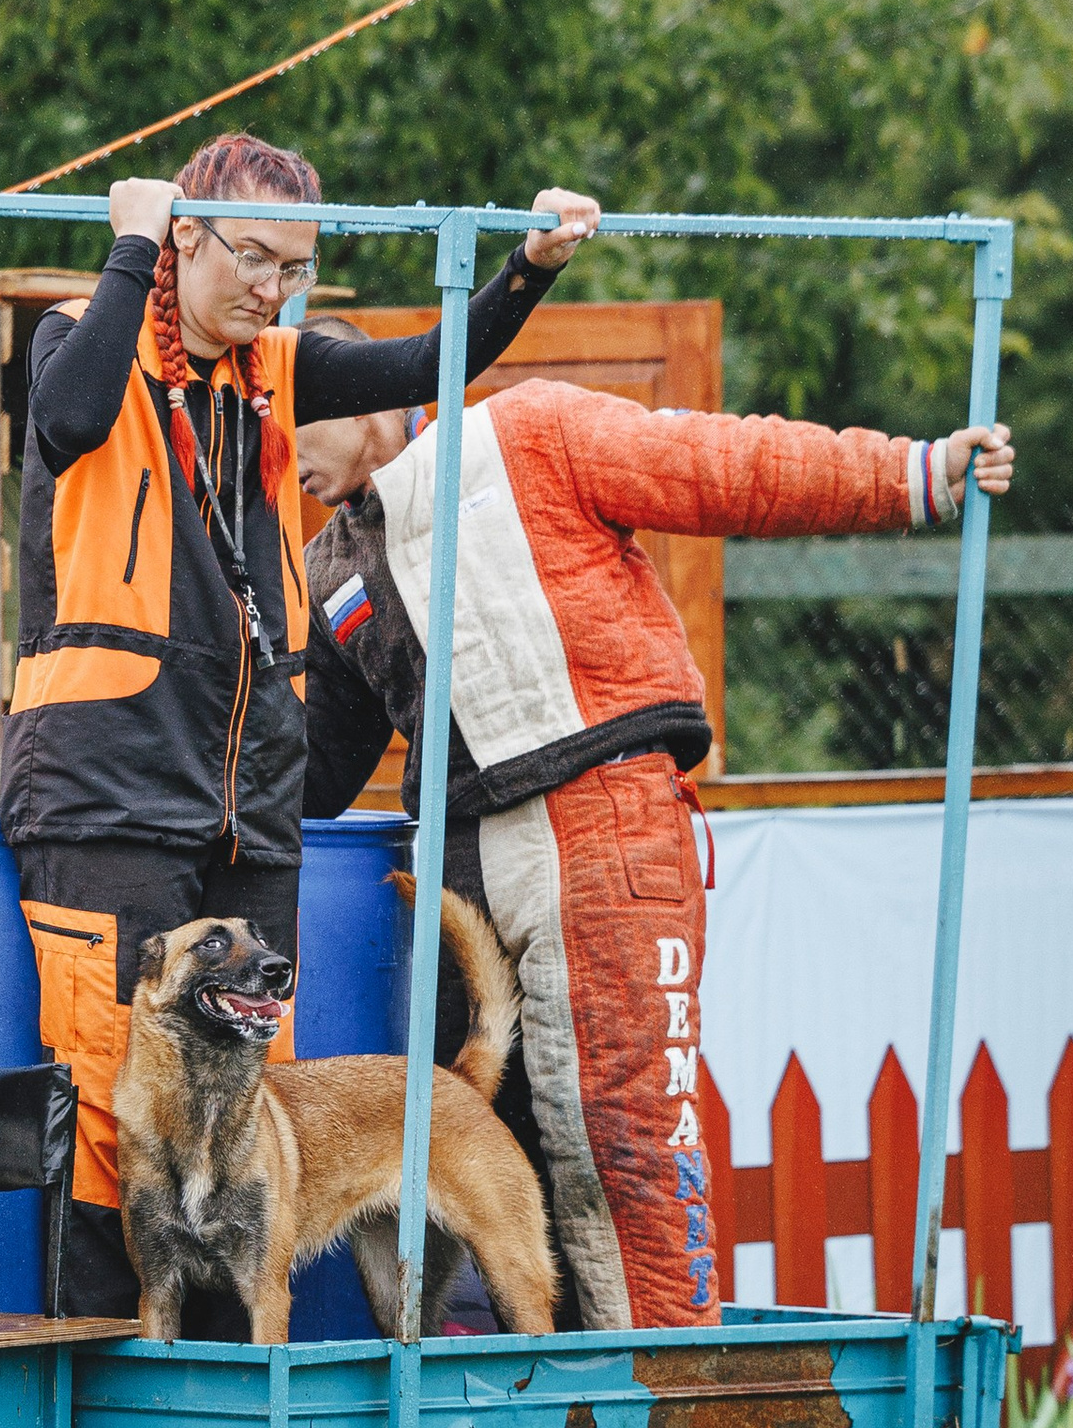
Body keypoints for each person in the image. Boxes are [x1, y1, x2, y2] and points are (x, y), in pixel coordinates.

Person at [1, 130, 601, 1315]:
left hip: (250, 809)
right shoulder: (87, 333)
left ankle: (233, 1419)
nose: (272, 290)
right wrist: (130, 247)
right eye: (253, 260)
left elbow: (434, 360)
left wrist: (527, 264)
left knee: (243, 1132)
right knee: (115, 1113)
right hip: (104, 790)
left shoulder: (277, 367)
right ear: (184, 238)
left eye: (295, 268)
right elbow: (65, 422)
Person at [296, 381, 1018, 1332]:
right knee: (464, 1156)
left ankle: (663, 1427)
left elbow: (724, 464)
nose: (281, 455)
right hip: (459, 862)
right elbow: (316, 769)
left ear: (367, 397)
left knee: (620, 1146)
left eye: (287, 419)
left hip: (605, 815)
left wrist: (916, 473)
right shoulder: (330, 562)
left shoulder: (531, 430)